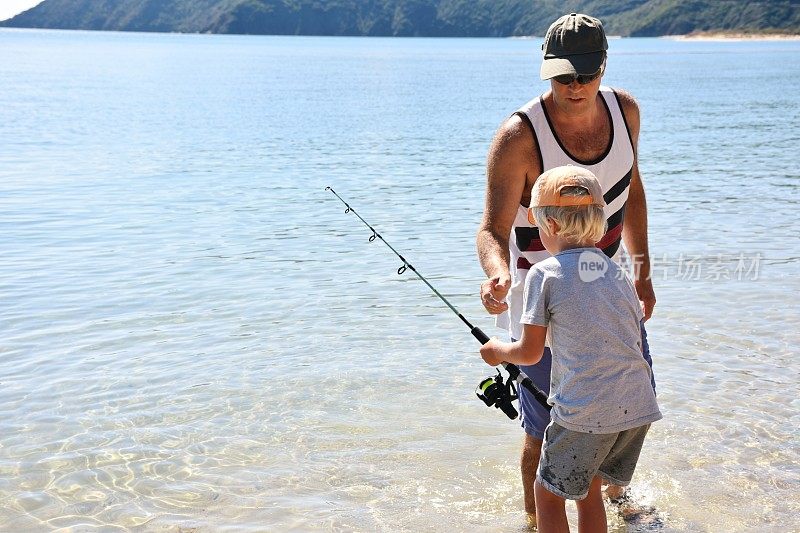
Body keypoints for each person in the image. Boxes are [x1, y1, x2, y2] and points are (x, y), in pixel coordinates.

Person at [476, 12, 656, 519]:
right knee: (543, 428)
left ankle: (618, 503)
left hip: (608, 287)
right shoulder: (518, 137)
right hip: (541, 297)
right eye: (562, 76)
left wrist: (642, 273)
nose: (574, 86)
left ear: (604, 65)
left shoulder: (625, 112)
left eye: (586, 74)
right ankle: (536, 520)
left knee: (617, 402)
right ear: (545, 70)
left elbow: (633, 190)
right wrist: (497, 273)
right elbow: (491, 230)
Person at [480, 166, 662, 533]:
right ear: (600, 221)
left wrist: (498, 349)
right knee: (589, 486)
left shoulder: (545, 274)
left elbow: (530, 354)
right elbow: (635, 342)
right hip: (637, 407)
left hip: (585, 413)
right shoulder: (616, 272)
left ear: (549, 226)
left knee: (547, 494)